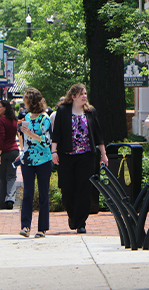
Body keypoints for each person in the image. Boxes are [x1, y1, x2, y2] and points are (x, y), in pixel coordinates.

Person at [52, 84, 108, 234]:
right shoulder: (63, 111)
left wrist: (104, 154)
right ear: (73, 96)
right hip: (66, 155)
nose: (84, 96)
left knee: (84, 189)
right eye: (81, 94)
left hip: (86, 156)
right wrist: (53, 152)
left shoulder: (90, 112)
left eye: (85, 93)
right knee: (67, 188)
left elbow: (98, 135)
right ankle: (72, 216)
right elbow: (56, 133)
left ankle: (81, 222)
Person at [18, 88, 52, 238]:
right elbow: (24, 139)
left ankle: (42, 228)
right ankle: (25, 226)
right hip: (27, 160)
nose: (24, 103)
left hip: (43, 159)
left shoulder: (45, 119)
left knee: (43, 194)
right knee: (27, 193)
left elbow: (47, 141)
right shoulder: (26, 116)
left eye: (26, 100)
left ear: (32, 101)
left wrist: (31, 134)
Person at [0, 100, 19, 209]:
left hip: (3, 152)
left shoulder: (0, 121)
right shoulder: (14, 120)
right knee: (11, 176)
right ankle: (10, 198)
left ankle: (2, 203)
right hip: (14, 151)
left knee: (1, 178)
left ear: (5, 108)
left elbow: (1, 137)